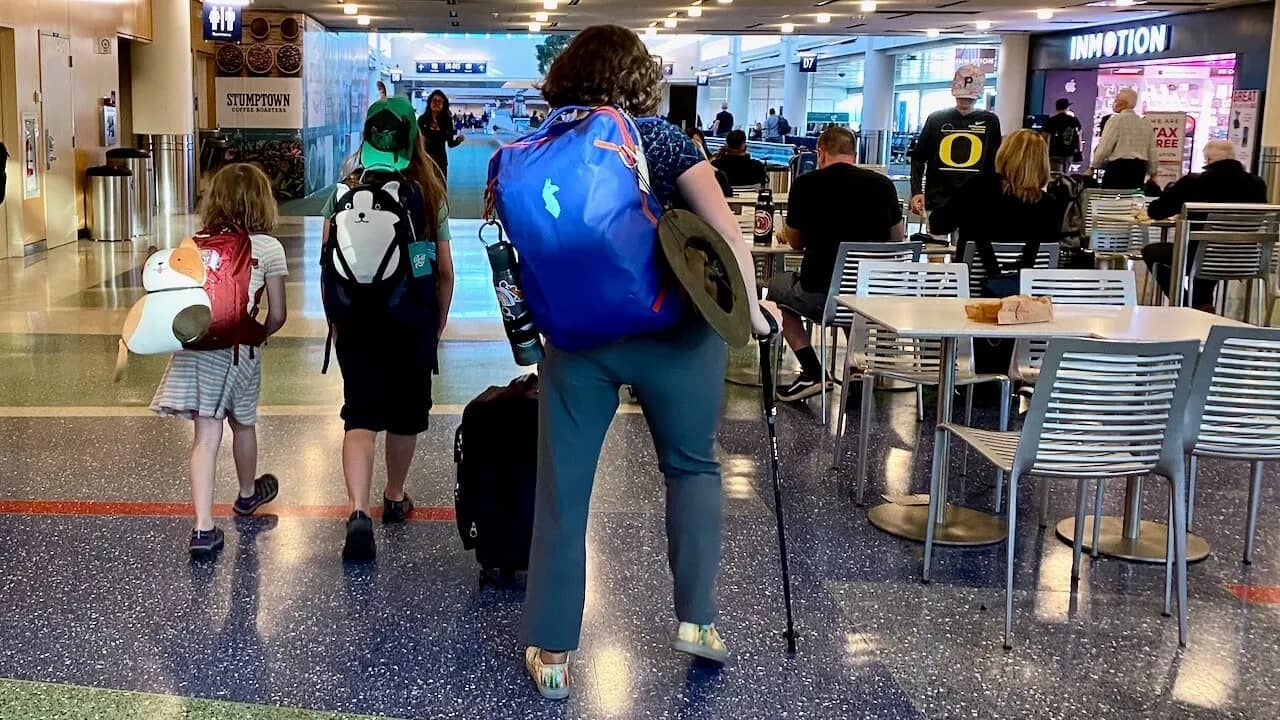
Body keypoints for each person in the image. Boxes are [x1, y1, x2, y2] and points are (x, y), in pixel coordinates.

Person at [519, 24, 774, 701]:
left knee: (564, 489)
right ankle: (697, 621)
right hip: (677, 333)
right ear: (638, 79)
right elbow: (724, 233)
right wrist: (754, 314)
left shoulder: (534, 146)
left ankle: (551, 650)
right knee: (691, 469)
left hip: (578, 340)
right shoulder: (662, 140)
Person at [322, 97, 455, 562]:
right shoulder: (428, 190)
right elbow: (444, 270)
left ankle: (358, 511)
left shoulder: (344, 187)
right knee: (404, 415)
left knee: (359, 415)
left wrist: (336, 321)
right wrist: (435, 325)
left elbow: (328, 263)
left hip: (355, 318)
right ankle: (394, 496)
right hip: (410, 321)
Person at [150, 163, 288, 558]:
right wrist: (260, 334)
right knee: (243, 425)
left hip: (197, 354)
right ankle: (246, 495)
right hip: (240, 352)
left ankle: (203, 528)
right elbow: (277, 313)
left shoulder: (191, 243)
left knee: (205, 437)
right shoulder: (269, 248)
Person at [768, 127, 904, 401]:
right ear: (855, 153)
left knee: (776, 287)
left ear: (820, 153)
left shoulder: (806, 184)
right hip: (870, 296)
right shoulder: (883, 185)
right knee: (848, 294)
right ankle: (855, 369)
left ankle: (811, 372)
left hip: (820, 293)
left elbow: (795, 242)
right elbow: (897, 238)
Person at [929, 129, 1064, 295]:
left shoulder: (976, 189)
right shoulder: (1050, 206)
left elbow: (937, 225)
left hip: (971, 298)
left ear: (1004, 154)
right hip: (1026, 305)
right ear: (1043, 163)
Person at [1141, 140, 1268, 310]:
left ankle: (1189, 305)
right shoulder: (1257, 184)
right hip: (1245, 259)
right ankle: (1203, 304)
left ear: (1208, 160)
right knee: (1211, 248)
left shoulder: (1195, 182)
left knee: (1153, 251)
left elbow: (1156, 212)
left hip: (1201, 258)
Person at [910, 65, 1001, 219]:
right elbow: (918, 157)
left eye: (968, 97)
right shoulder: (936, 119)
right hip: (939, 199)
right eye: (961, 96)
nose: (963, 101)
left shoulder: (990, 121)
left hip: (976, 200)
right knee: (937, 242)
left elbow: (995, 162)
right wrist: (917, 190)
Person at [1091, 88, 1157, 190]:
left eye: (1116, 99)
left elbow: (1105, 146)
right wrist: (1153, 173)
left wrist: (1093, 166)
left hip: (1118, 168)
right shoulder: (1145, 124)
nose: (1115, 102)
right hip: (1139, 169)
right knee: (1130, 201)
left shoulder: (1115, 120)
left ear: (1123, 103)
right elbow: (1152, 150)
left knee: (1111, 200)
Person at [418, 90, 465, 183]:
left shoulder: (447, 121)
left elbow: (450, 144)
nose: (436, 103)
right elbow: (417, 141)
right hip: (424, 160)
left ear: (444, 104)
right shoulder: (422, 120)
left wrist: (458, 141)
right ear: (430, 102)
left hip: (440, 161)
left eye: (440, 101)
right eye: (434, 100)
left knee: (440, 188)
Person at [1044, 98, 1083, 174]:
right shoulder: (1074, 120)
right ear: (1067, 107)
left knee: (1054, 174)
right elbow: (1078, 137)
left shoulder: (1051, 120)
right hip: (1069, 153)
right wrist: (1079, 151)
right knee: (1065, 175)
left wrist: (1044, 152)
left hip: (1054, 153)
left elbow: (1044, 137)